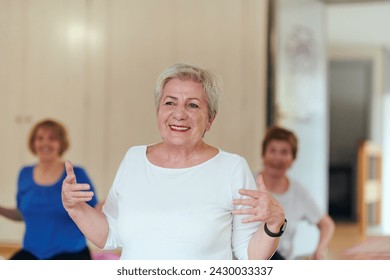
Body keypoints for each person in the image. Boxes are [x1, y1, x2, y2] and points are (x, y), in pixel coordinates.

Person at [62, 63, 286, 260]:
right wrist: (75, 208)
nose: (179, 114)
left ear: (210, 119)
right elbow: (110, 235)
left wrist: (275, 222)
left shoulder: (232, 168)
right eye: (170, 103)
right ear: (158, 111)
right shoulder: (133, 159)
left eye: (193, 105)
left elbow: (249, 255)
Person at [0, 119, 100, 260]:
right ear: (34, 143)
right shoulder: (24, 174)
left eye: (52, 138)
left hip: (70, 253)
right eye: (40, 138)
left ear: (61, 143)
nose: (45, 143)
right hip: (32, 253)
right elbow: (22, 213)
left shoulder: (75, 174)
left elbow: (93, 212)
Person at [255, 126, 335, 260]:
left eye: (284, 152)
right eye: (272, 150)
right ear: (264, 154)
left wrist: (320, 250)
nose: (277, 157)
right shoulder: (245, 182)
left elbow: (327, 224)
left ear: (293, 159)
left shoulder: (299, 193)